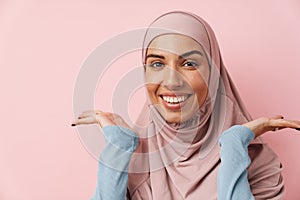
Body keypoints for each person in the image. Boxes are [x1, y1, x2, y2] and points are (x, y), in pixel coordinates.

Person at [72, 11, 300, 199]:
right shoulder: (135, 159)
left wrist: (233, 144)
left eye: (189, 63)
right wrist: (120, 145)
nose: (171, 81)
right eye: (157, 63)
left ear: (213, 74)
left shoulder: (258, 164)